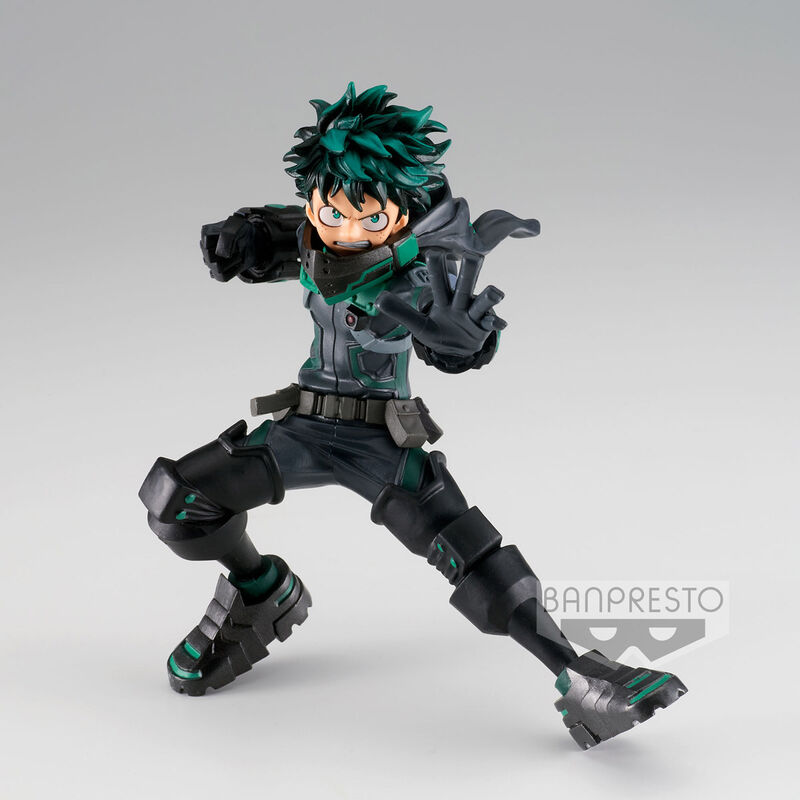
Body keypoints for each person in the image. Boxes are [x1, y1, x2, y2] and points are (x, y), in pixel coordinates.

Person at [139, 82, 686, 749]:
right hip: (302, 430)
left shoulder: (418, 276)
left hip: (382, 442)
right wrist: (240, 240)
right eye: (332, 210)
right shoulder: (315, 241)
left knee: (471, 556)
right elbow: (273, 238)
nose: (346, 230)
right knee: (178, 501)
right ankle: (261, 592)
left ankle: (583, 676)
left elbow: (452, 337)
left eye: (368, 219)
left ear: (403, 212)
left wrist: (462, 342)